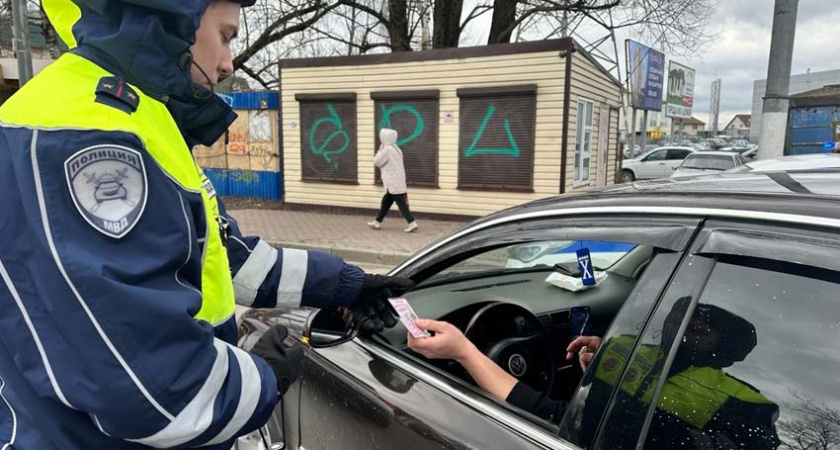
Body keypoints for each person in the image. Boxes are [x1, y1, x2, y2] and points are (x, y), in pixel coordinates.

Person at [0, 1, 410, 449]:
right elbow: (149, 387)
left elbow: (226, 258)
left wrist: (347, 285)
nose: (228, 63)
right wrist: (262, 377)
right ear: (178, 14)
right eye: (228, 35)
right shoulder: (89, 132)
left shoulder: (138, 117)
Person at [409, 299, 780, 449]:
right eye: (680, 318)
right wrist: (605, 360)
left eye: (703, 328)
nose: (686, 329)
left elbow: (560, 417)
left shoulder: (747, 403)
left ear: (728, 347)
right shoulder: (622, 350)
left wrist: (464, 352)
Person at [367, 128, 418, 233]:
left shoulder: (387, 149)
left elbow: (377, 162)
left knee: (401, 204)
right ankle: (377, 222)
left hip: (392, 182)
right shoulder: (396, 148)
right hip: (397, 181)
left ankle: (412, 223)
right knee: (386, 201)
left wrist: (380, 150)